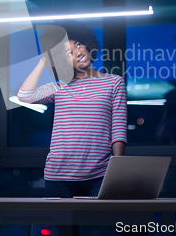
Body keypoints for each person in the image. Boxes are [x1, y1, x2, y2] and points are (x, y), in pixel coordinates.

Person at [17, 22, 127, 236]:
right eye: (68, 53)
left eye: (78, 45)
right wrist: (43, 60)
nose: (77, 52)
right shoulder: (58, 87)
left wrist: (118, 171)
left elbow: (119, 130)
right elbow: (24, 96)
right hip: (58, 178)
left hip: (100, 176)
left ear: (88, 46)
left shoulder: (114, 83)